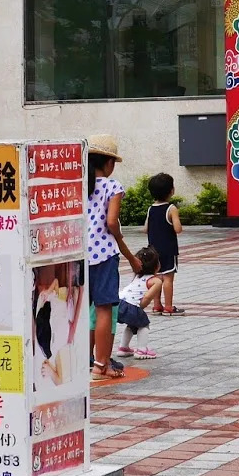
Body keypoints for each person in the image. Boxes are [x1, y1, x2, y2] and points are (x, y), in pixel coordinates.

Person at [86, 134, 139, 383]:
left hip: (77, 255)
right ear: (108, 163)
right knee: (104, 308)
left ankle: (82, 361)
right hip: (104, 255)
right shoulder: (112, 186)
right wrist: (127, 252)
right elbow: (111, 223)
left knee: (81, 309)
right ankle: (100, 366)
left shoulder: (76, 184)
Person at [145, 173, 184, 315]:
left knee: (157, 277)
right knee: (168, 278)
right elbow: (178, 229)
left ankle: (156, 306)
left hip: (153, 250)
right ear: (171, 191)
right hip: (168, 250)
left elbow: (145, 229)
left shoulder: (151, 209)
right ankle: (168, 307)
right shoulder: (171, 208)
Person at [114, 247, 163, 360]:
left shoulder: (137, 275)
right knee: (143, 324)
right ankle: (142, 349)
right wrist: (139, 309)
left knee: (132, 324)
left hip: (119, 302)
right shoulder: (156, 281)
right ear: (157, 266)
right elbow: (147, 297)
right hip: (132, 305)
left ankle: (123, 347)